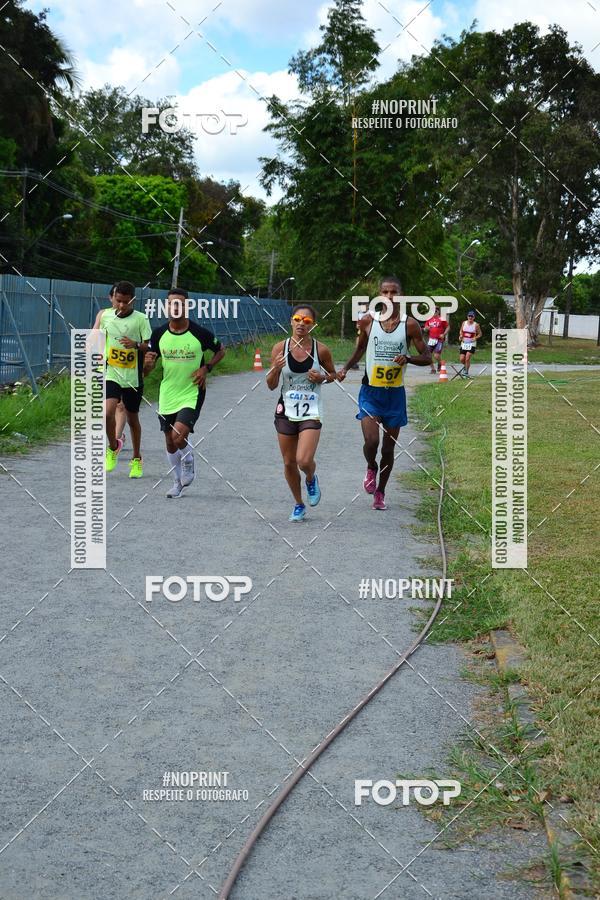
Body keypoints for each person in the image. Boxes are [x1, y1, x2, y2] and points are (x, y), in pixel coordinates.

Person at [338, 276, 431, 510]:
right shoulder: (368, 321)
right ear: (380, 295)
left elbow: (427, 357)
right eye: (385, 292)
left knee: (388, 448)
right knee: (371, 441)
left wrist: (408, 358)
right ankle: (371, 466)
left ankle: (380, 492)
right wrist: (345, 368)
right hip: (371, 392)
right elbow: (359, 349)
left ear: (401, 295)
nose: (390, 296)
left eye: (394, 292)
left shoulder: (410, 325)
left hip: (394, 395)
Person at [143, 287, 225, 498]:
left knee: (179, 437)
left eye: (179, 303)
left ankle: (188, 460)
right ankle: (177, 483)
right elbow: (148, 369)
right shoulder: (159, 333)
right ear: (166, 307)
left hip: (192, 391)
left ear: (186, 306)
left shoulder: (199, 333)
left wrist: (206, 368)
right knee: (169, 441)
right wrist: (148, 365)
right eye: (171, 303)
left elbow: (221, 350)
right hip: (168, 392)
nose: (175, 307)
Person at [267, 305, 337, 522]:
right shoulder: (280, 348)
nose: (301, 324)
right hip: (286, 411)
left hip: (311, 411)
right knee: (289, 462)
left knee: (304, 460)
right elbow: (271, 385)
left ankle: (310, 478)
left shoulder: (321, 350)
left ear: (312, 325)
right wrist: (276, 368)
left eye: (306, 321)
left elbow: (333, 374)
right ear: (291, 321)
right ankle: (298, 504)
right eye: (297, 319)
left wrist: (323, 378)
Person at [99, 280, 151, 477]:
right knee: (107, 413)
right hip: (112, 373)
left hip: (132, 378)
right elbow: (100, 338)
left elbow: (149, 345)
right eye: (118, 301)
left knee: (132, 420)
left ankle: (136, 458)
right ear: (114, 298)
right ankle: (113, 447)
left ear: (132, 300)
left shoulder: (141, 319)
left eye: (125, 302)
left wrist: (135, 344)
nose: (121, 305)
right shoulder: (106, 316)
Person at [93, 285, 127, 446]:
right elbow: (94, 333)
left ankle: (117, 439)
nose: (118, 302)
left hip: (126, 366)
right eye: (116, 297)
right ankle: (113, 438)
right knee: (107, 408)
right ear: (111, 298)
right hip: (105, 365)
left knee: (121, 405)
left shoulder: (135, 317)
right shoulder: (103, 314)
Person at [423, 305, 449, 374]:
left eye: (436, 310)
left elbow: (448, 327)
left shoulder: (442, 319)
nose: (434, 312)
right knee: (427, 355)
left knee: (436, 355)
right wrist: (426, 328)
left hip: (439, 340)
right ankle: (433, 369)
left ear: (438, 311)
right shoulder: (429, 319)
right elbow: (425, 328)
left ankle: (440, 363)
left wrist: (444, 334)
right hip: (431, 339)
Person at [458, 310, 482, 378]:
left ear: (474, 317)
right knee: (462, 359)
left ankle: (466, 372)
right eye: (469, 316)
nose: (470, 317)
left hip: (472, 343)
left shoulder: (476, 325)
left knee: (467, 358)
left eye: (472, 316)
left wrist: (475, 338)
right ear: (467, 316)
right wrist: (460, 336)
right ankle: (465, 367)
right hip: (464, 343)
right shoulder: (464, 323)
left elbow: (480, 334)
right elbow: (461, 331)